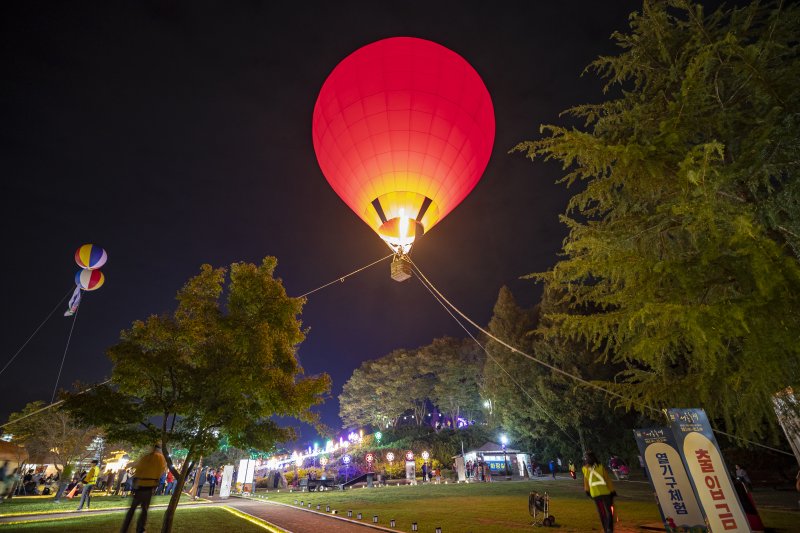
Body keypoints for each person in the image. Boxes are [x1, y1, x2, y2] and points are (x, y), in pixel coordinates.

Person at [121, 444, 167, 533]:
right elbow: (161, 471)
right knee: (144, 509)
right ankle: (140, 529)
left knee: (132, 509)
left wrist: (135, 484)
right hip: (149, 486)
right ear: (159, 449)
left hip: (139, 486)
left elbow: (138, 470)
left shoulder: (145, 457)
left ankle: (125, 528)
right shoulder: (160, 458)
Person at [583, 451, 616, 533]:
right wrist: (612, 491)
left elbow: (586, 481)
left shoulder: (585, 469)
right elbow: (607, 479)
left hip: (595, 494)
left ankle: (606, 529)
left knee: (602, 513)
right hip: (605, 492)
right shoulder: (600, 467)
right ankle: (609, 529)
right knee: (609, 512)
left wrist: (587, 491)